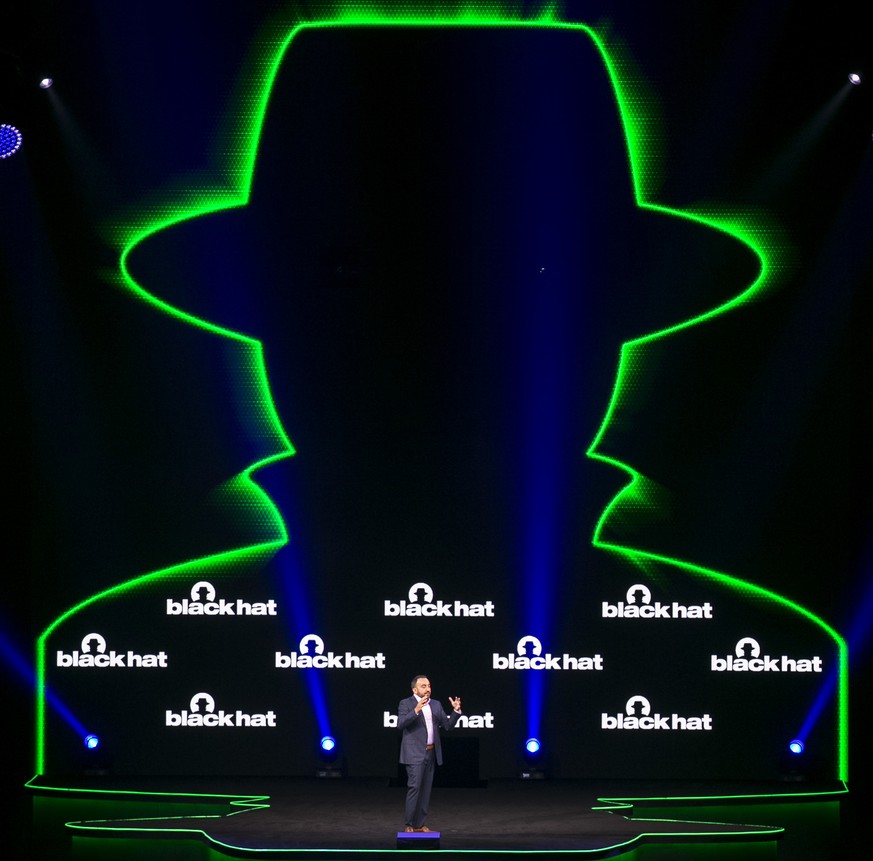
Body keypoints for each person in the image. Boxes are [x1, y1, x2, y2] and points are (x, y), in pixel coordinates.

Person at [397, 675, 462, 832]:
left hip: (431, 753)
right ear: (415, 689)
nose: (428, 689)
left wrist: (456, 711)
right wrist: (416, 710)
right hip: (414, 753)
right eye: (423, 686)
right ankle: (409, 824)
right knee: (415, 788)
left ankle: (420, 823)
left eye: (429, 686)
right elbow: (401, 724)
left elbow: (447, 726)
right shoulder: (406, 703)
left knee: (426, 790)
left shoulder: (436, 704)